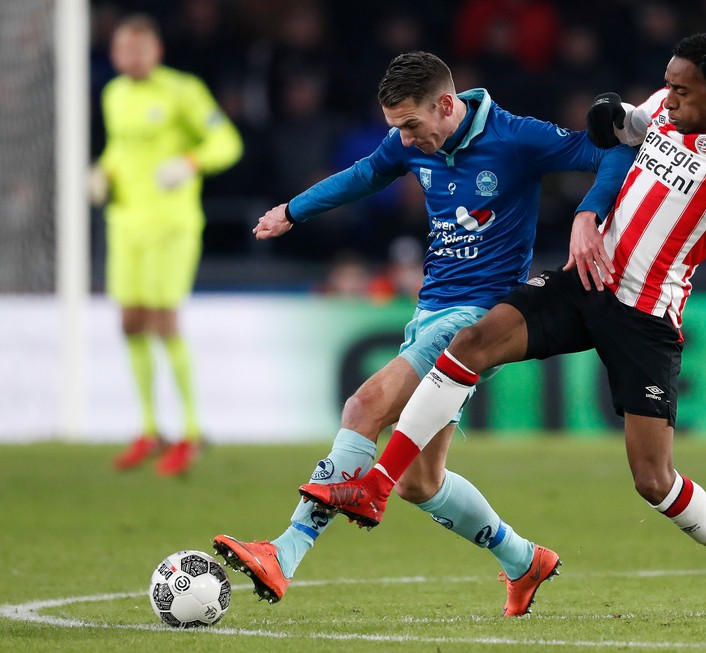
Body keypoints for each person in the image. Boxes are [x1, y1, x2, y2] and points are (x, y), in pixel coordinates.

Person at [300, 33, 706, 619]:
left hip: (645, 315)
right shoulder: (663, 106)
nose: (670, 96)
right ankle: (377, 486)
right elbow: (626, 128)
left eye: (683, 89)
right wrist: (612, 114)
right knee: (470, 342)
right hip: (586, 279)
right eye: (668, 84)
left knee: (653, 479)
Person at [213, 51, 635, 616]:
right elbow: (366, 173)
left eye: (411, 125)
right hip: (430, 311)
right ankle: (523, 560)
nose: (406, 140)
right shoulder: (410, 140)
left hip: (477, 321)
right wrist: (294, 209)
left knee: (363, 406)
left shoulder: (516, 137)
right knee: (420, 482)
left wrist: (589, 213)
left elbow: (614, 150)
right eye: (397, 128)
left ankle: (283, 553)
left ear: (446, 105)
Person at [90, 14, 243, 476]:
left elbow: (227, 142)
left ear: (156, 51)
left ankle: (192, 432)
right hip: (125, 223)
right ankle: (150, 428)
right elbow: (121, 148)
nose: (131, 58)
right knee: (130, 321)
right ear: (114, 53)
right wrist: (104, 171)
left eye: (139, 49)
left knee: (163, 320)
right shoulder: (113, 94)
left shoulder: (183, 91)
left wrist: (189, 162)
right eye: (123, 50)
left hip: (171, 223)